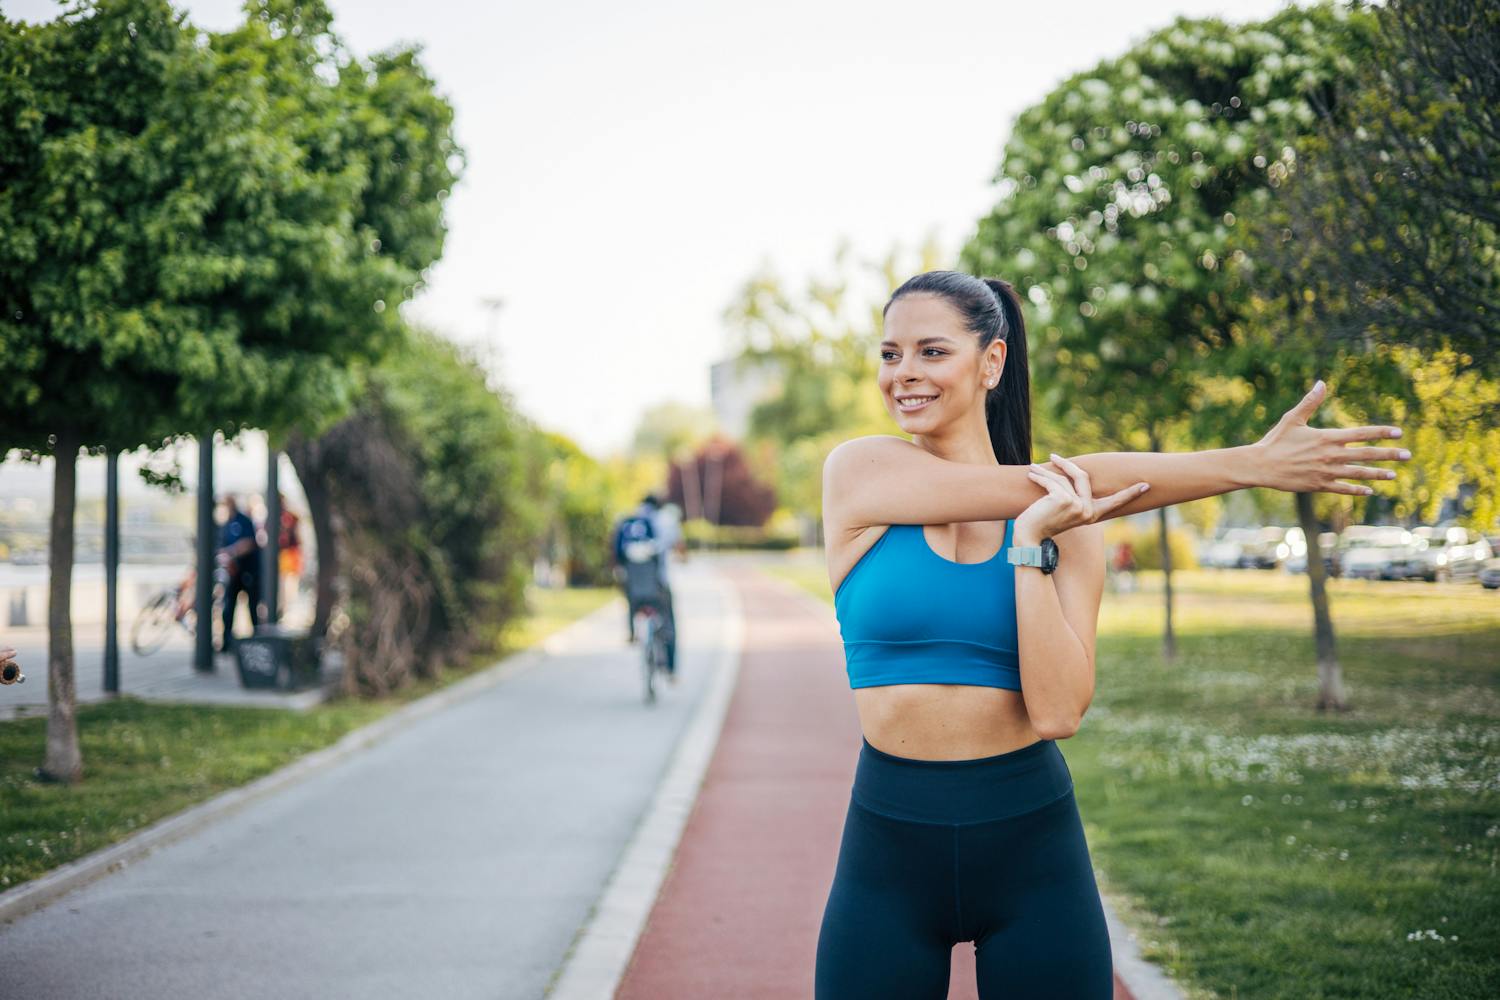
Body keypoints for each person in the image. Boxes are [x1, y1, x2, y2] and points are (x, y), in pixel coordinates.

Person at [814, 270, 1407, 999]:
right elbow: (1065, 482)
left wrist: (1028, 550)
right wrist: (1248, 464)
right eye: (890, 354)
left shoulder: (1067, 528)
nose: (903, 373)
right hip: (888, 848)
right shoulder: (859, 474)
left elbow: (1058, 713)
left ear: (991, 363)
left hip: (1031, 850)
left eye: (931, 351)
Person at [612, 494, 679, 675]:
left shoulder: (627, 522)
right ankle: (671, 668)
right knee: (668, 621)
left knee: (631, 601)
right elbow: (675, 546)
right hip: (659, 582)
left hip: (633, 583)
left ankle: (632, 632)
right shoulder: (664, 521)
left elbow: (617, 555)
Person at [217, 494, 261, 653]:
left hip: (249, 571)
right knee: (228, 607)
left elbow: (249, 543)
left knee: (253, 608)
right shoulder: (225, 524)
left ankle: (257, 640)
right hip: (233, 573)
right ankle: (227, 642)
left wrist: (231, 551)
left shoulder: (243, 521)